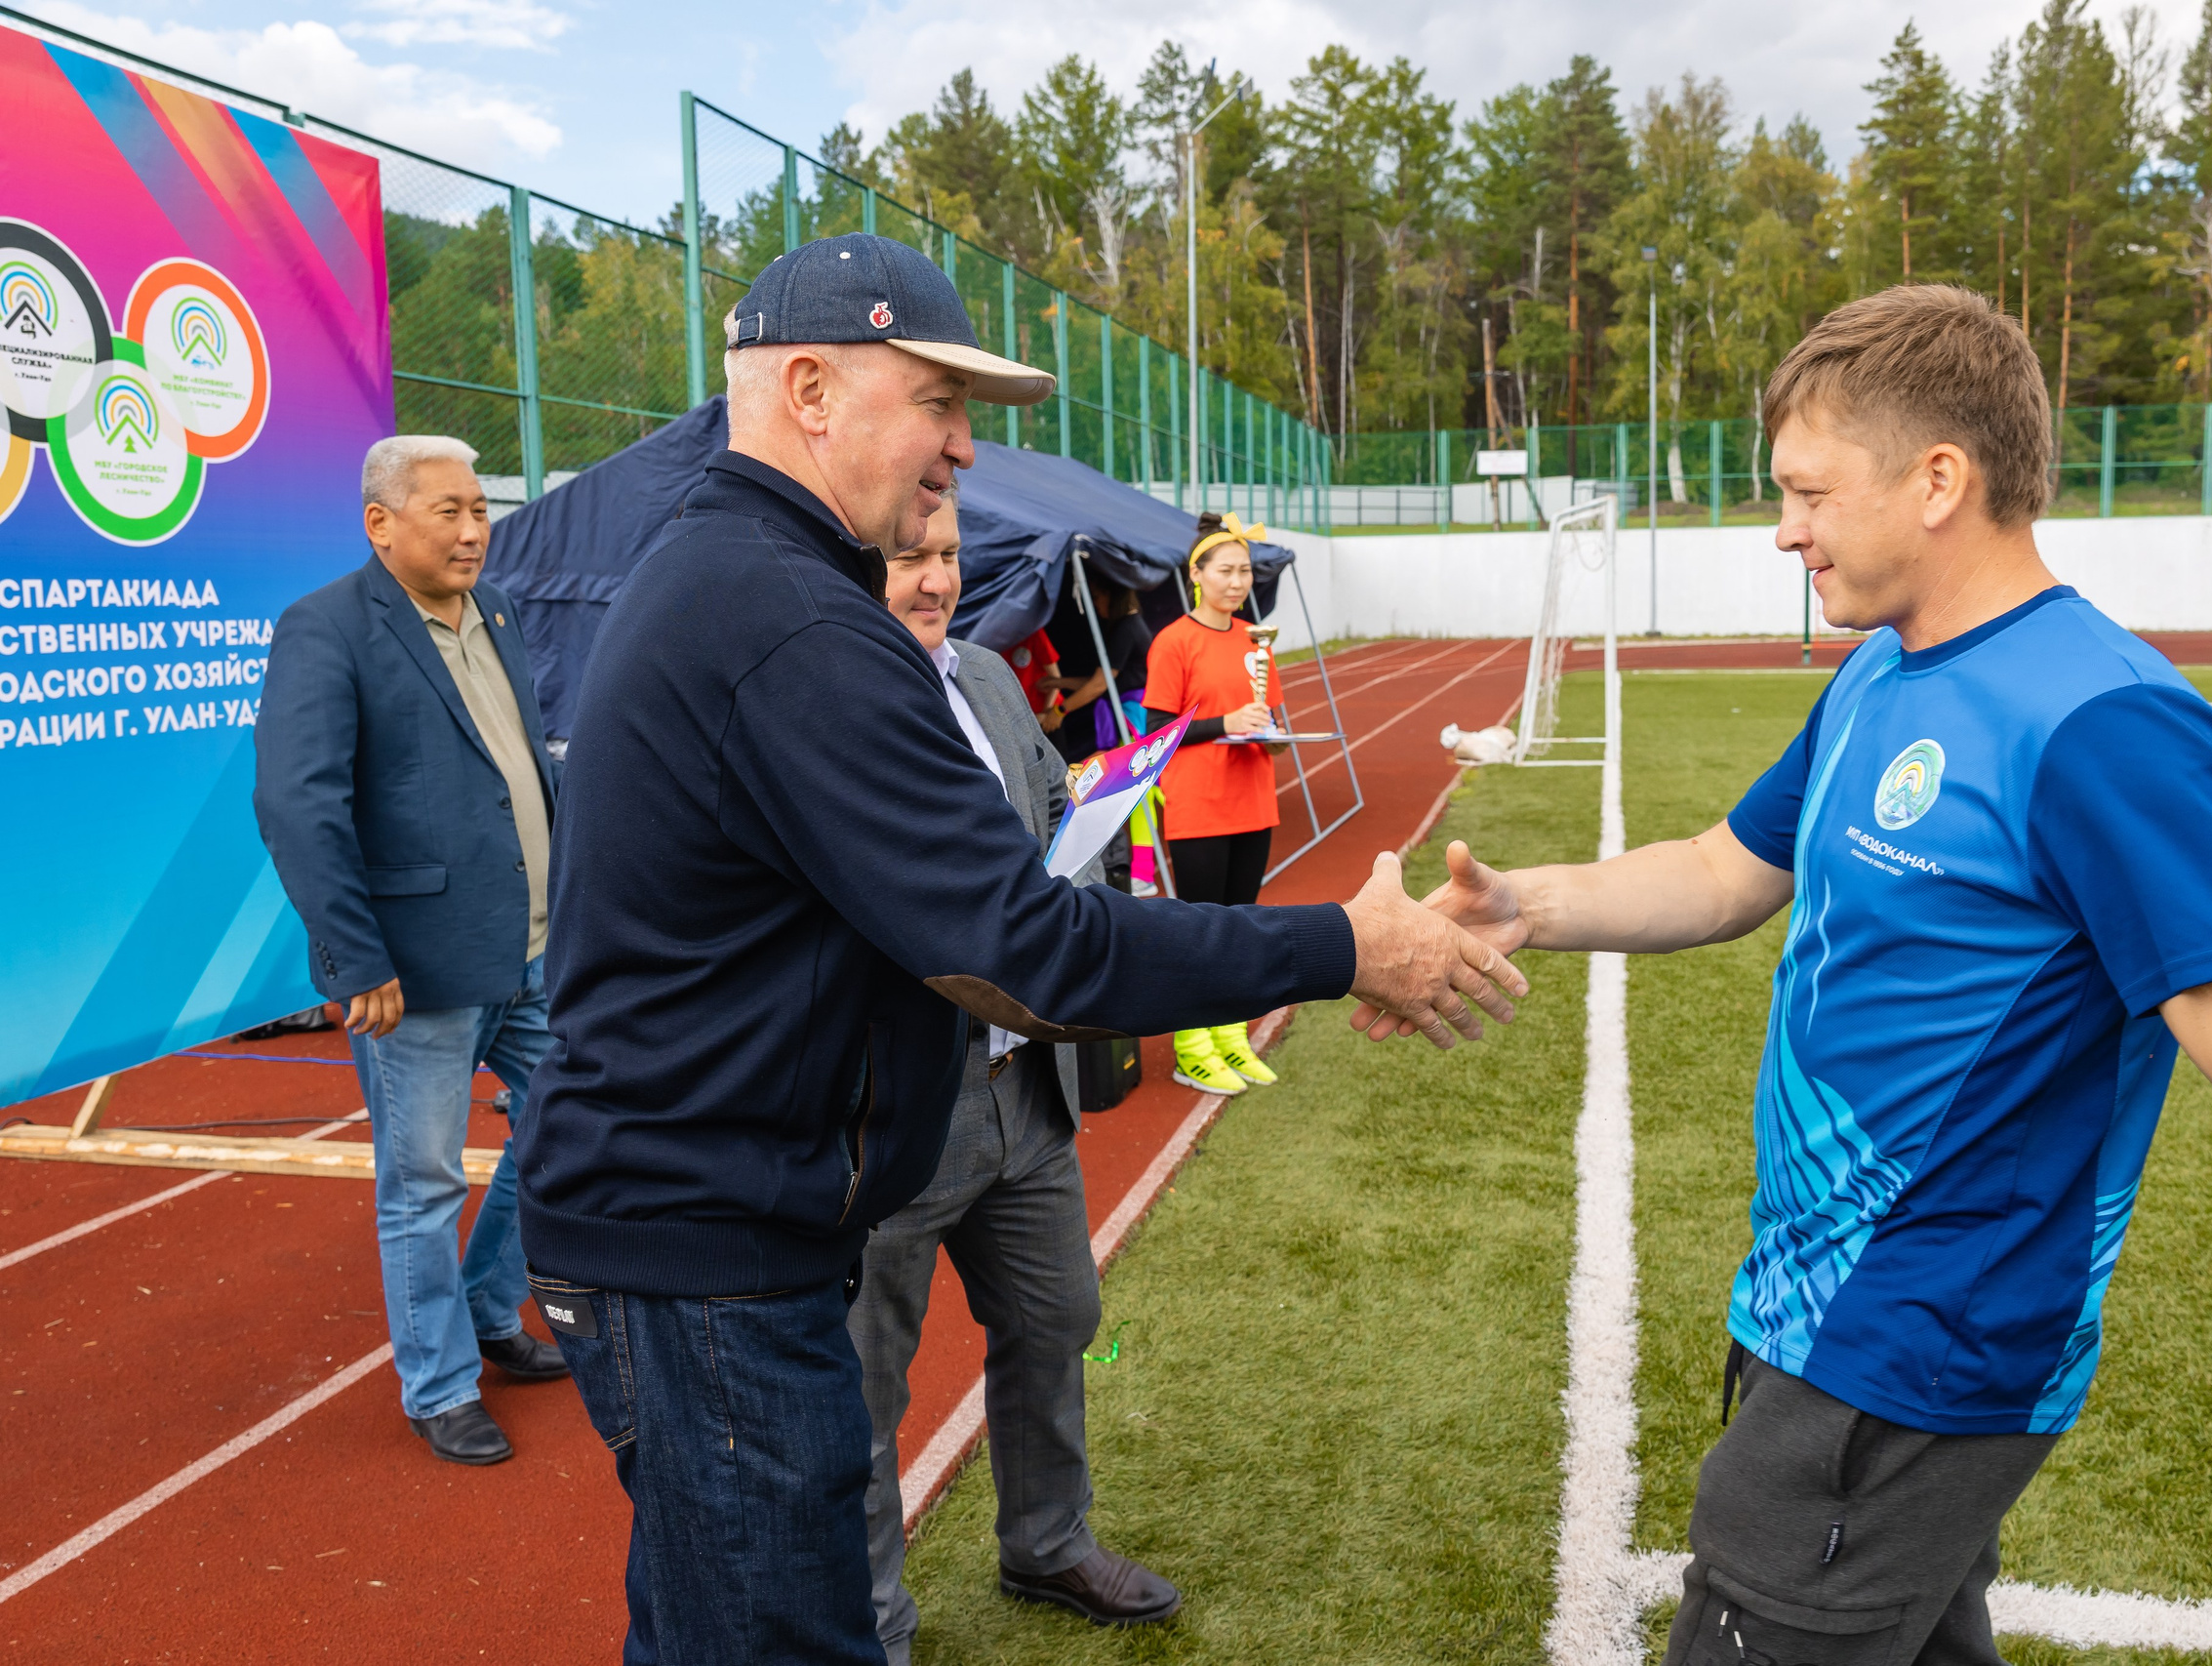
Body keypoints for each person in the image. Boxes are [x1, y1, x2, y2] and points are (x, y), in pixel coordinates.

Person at [1391, 285, 2212, 1663]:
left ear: (1938, 479)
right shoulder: (1880, 671)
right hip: (1808, 1306)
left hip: (1917, 1349)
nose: (1783, 527)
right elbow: (1729, 865)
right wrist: (1525, 906)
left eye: (1807, 490)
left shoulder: (2105, 724)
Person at [513, 233, 1524, 1666]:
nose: (965, 451)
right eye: (937, 399)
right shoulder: (788, 611)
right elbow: (1025, 944)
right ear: (810, 388)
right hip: (707, 1260)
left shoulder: (744, 576)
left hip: (709, 1233)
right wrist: (1341, 943)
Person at [853, 489, 1176, 1660]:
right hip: (891, 1111)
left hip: (1019, 1091)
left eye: (945, 556)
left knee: (1058, 1316)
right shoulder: (829, 699)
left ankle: (1046, 1541)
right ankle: (870, 1619)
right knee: (864, 1381)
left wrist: (1091, 866)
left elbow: (1056, 808)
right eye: (905, 558)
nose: (933, 579)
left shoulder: (989, 677)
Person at [253, 434, 571, 1468]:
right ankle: (438, 1387)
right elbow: (299, 805)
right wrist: (355, 957)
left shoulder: (500, 613)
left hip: (532, 945)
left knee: (573, 1122)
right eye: (450, 511)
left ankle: (486, 1306)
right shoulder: (326, 630)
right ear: (380, 522)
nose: (475, 528)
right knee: (423, 1181)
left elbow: (515, 769)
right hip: (415, 970)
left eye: (481, 508)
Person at [1140, 512, 1289, 1094]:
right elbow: (1156, 731)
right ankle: (1191, 1046)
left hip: (1254, 801)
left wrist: (1271, 734)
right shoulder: (1173, 641)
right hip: (1200, 804)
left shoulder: (1258, 641)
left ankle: (1230, 1036)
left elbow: (1269, 717)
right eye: (1225, 571)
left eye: (1245, 571)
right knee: (1202, 930)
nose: (1237, 582)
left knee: (1242, 927)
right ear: (1196, 574)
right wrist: (1225, 722)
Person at [1042, 579, 1150, 769]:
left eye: (1096, 597)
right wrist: (1058, 682)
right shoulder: (1129, 624)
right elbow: (1102, 681)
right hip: (1126, 716)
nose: (1094, 603)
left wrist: (1060, 710)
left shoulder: (1127, 628)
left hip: (1133, 719)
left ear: (1112, 595)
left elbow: (1099, 685)